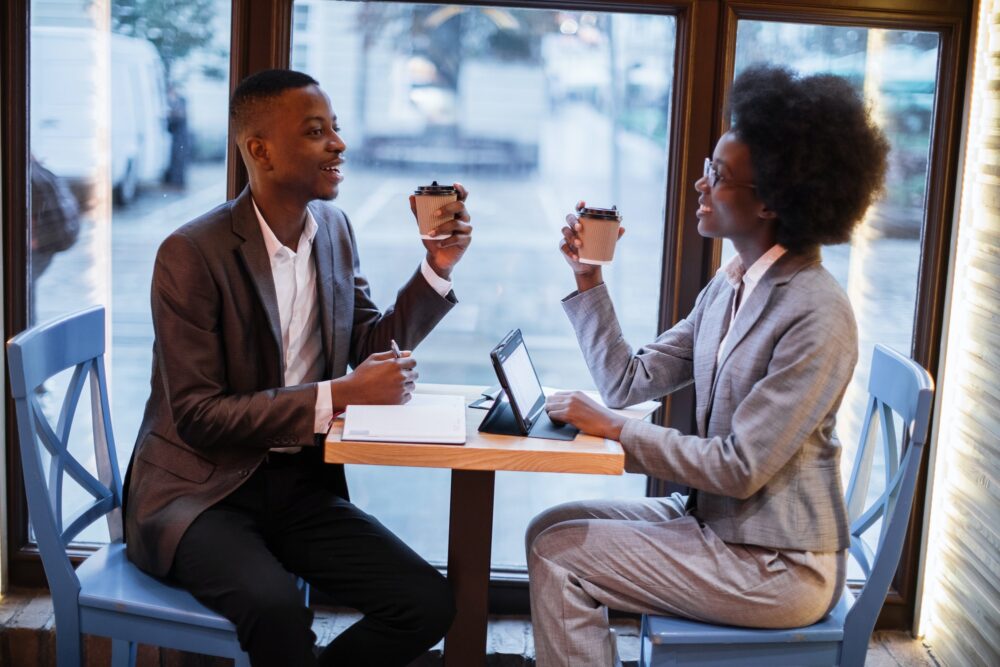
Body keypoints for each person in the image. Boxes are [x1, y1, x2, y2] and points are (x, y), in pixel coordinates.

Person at [525, 64, 890, 667]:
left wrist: (615, 427)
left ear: (771, 199)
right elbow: (627, 381)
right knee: (550, 527)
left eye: (717, 176)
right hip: (717, 525)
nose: (700, 185)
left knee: (561, 554)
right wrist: (588, 276)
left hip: (778, 565)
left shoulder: (817, 312)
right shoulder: (732, 284)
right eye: (705, 169)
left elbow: (741, 467)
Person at [123, 69, 472, 666]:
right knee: (278, 609)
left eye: (335, 128)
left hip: (297, 486)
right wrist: (338, 395)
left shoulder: (333, 229)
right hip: (200, 492)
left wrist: (437, 267)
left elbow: (369, 342)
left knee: (426, 602)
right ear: (259, 150)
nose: (338, 143)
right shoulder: (191, 254)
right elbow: (200, 416)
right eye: (316, 131)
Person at [30, 154, 81, 325]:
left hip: (38, 246)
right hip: (43, 244)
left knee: (22, 295)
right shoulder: (32, 166)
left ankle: (24, 339)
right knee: (25, 295)